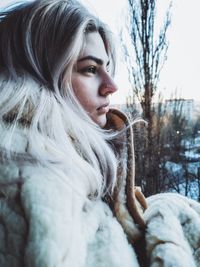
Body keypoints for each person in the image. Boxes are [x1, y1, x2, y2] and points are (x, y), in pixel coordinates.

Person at [0, 0, 199, 267]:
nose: (111, 85)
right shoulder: (35, 178)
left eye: (107, 68)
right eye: (91, 69)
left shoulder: (66, 156)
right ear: (40, 75)